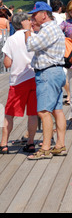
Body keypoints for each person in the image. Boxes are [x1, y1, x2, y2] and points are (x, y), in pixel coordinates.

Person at [23, 1, 67, 159]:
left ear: (44, 14)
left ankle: (46, 148)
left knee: (43, 112)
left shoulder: (48, 29)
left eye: (34, 15)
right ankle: (60, 144)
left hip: (47, 73)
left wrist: (27, 30)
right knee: (57, 110)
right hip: (56, 71)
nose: (33, 19)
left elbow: (31, 45)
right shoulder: (55, 28)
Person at [0, 13, 38, 154]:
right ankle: (31, 142)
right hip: (34, 78)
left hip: (18, 81)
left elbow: (7, 63)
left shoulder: (11, 40)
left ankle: (4, 143)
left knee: (10, 114)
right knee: (32, 113)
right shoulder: (34, 37)